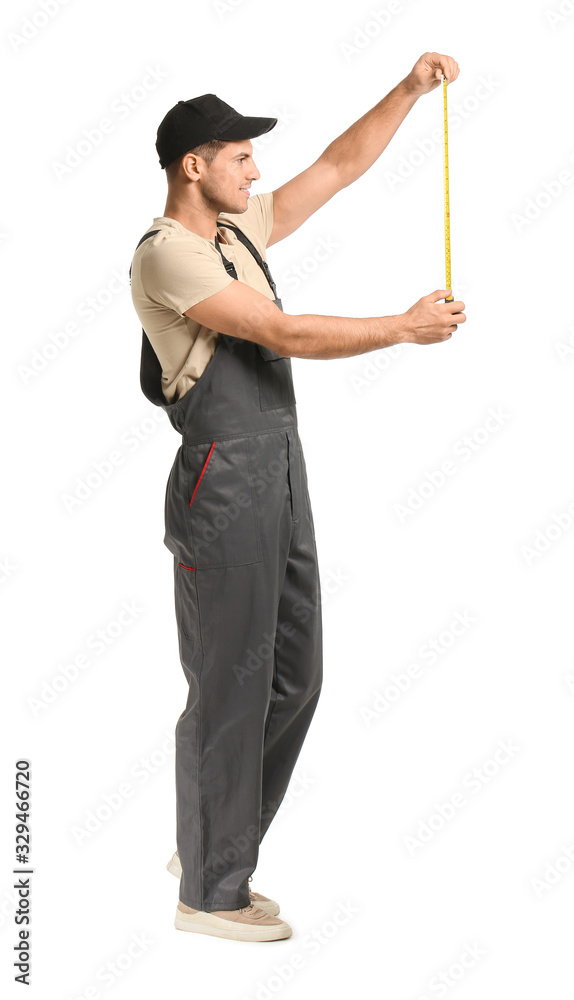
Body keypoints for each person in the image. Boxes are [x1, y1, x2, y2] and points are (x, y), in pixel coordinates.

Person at [129, 51, 466, 943]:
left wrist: (408, 90)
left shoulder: (237, 234)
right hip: (224, 480)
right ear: (194, 167)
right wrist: (402, 327)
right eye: (240, 157)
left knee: (295, 675)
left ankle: (214, 842)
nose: (257, 171)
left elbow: (341, 166)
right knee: (228, 686)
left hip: (277, 465)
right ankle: (209, 892)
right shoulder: (171, 256)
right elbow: (277, 330)